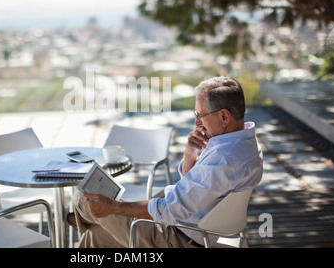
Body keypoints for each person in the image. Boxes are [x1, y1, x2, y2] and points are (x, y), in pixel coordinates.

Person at [67, 76, 263, 247]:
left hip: (176, 238)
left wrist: (115, 208)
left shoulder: (224, 158)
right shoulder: (243, 142)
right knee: (95, 238)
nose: (197, 123)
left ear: (223, 116)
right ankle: (92, 222)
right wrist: (190, 152)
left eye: (200, 115)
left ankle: (85, 219)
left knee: (83, 197)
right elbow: (200, 187)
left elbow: (171, 209)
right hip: (198, 230)